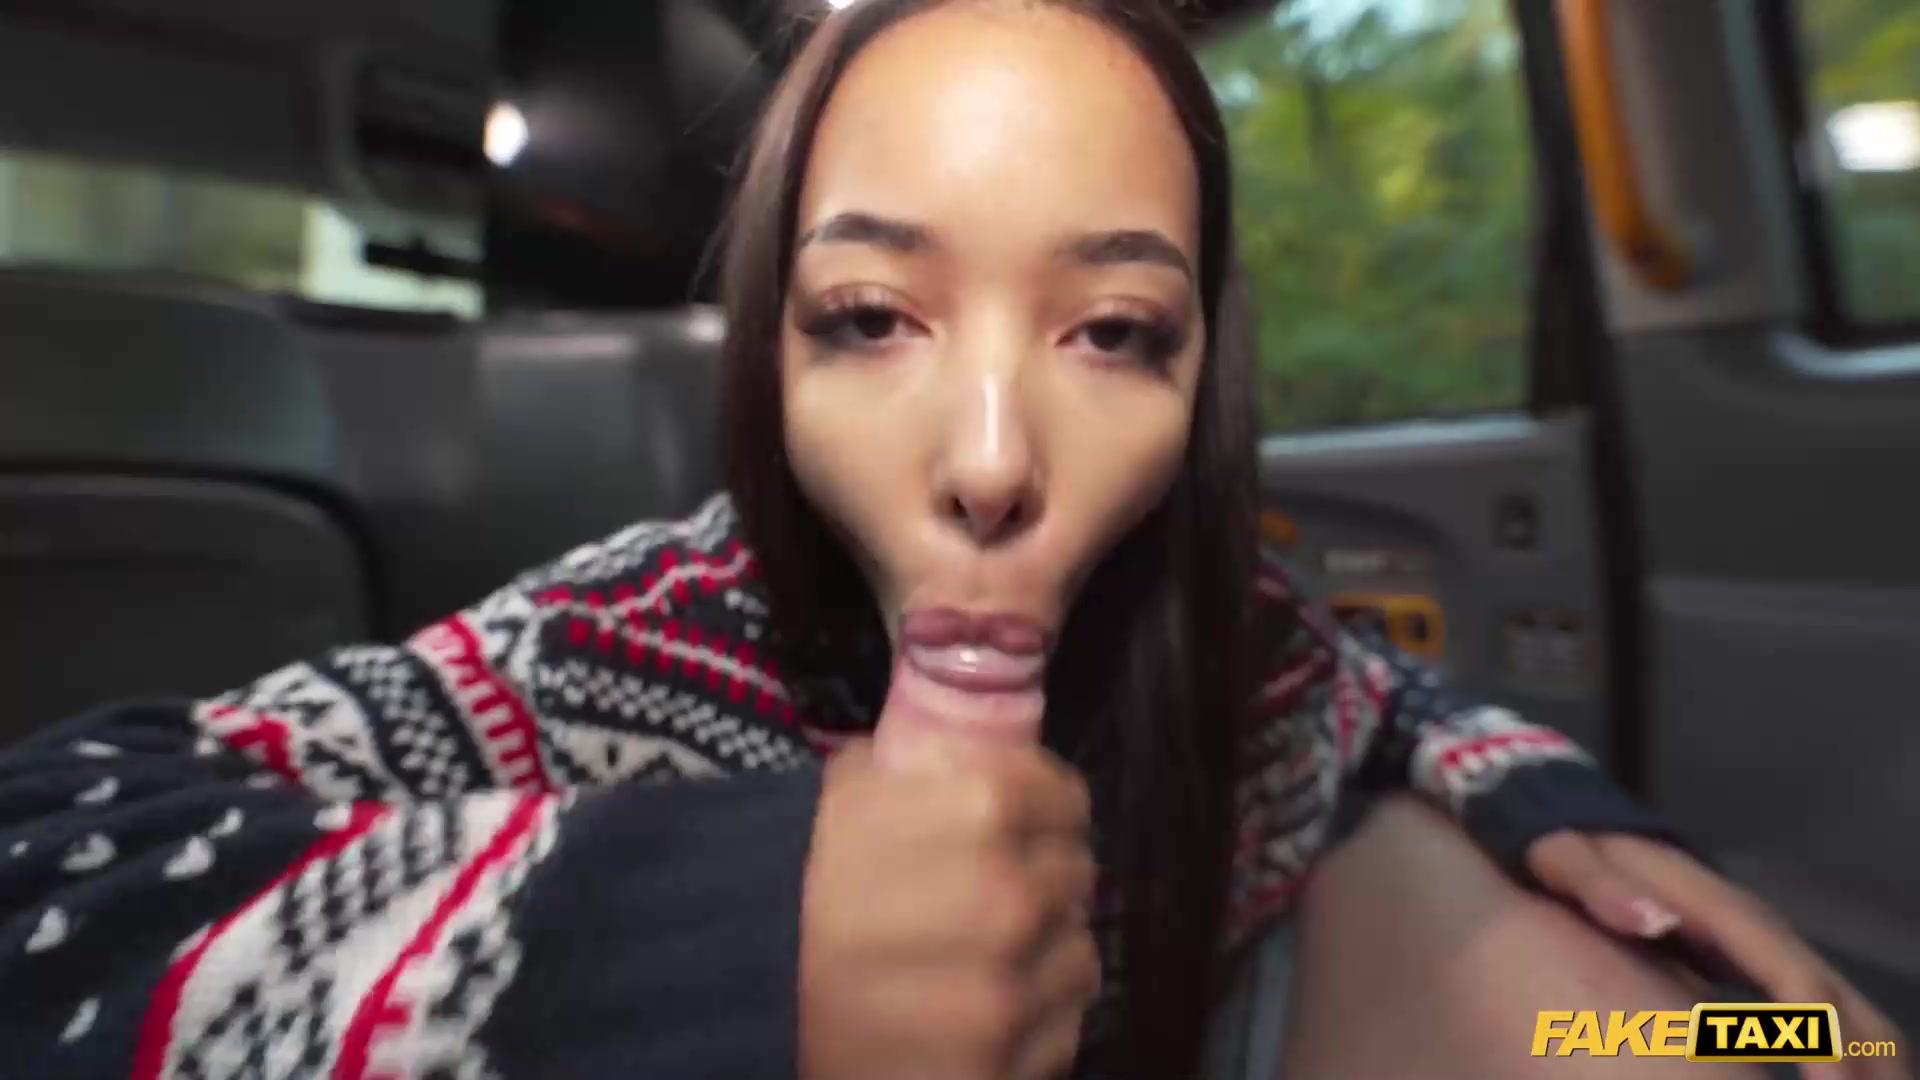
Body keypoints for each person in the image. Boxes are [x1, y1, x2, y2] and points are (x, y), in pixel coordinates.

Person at [0, 1, 1905, 1078]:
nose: (993, 460)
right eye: (871, 319)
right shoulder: (610, 655)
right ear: (769, 352)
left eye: (1114, 334)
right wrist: (696, 940)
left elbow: (1370, 703)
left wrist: (1548, 803)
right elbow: (48, 877)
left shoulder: (1210, 630)